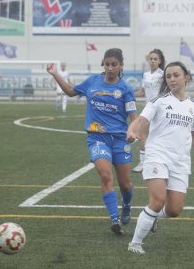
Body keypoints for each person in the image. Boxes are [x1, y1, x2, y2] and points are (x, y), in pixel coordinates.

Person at [46, 48, 137, 234]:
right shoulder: (92, 82)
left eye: (114, 64)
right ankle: (114, 219)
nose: (110, 68)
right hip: (97, 138)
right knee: (105, 175)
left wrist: (133, 131)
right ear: (103, 63)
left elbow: (134, 117)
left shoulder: (125, 89)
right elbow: (71, 92)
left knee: (125, 184)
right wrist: (55, 74)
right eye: (107, 63)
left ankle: (127, 205)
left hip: (120, 139)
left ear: (121, 66)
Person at [126, 61, 194, 254]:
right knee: (157, 200)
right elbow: (142, 120)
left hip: (180, 161)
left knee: (174, 210)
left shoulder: (193, 107)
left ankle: (153, 217)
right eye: (168, 76)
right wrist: (132, 130)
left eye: (176, 75)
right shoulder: (159, 101)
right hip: (157, 155)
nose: (172, 79)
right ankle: (135, 243)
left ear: (186, 77)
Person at [132, 49, 166, 173]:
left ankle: (161, 162)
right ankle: (142, 163)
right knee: (142, 135)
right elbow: (142, 92)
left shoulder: (163, 75)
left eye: (155, 59)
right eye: (150, 59)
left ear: (160, 61)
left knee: (159, 137)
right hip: (148, 109)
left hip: (160, 110)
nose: (152, 61)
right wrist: (127, 95)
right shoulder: (146, 75)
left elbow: (166, 92)